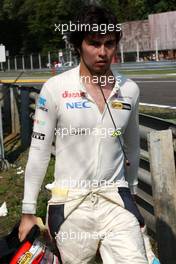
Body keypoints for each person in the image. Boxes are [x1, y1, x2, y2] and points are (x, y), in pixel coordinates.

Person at [19, 5, 149, 264]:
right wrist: (27, 211)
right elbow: (39, 150)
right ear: (78, 44)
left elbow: (133, 146)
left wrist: (131, 193)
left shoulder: (130, 90)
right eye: (94, 43)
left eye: (109, 44)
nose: (103, 52)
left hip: (116, 199)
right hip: (70, 203)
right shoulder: (55, 89)